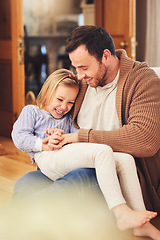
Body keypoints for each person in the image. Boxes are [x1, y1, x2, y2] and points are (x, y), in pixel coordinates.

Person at [12, 25, 160, 238]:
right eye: (75, 67)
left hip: (114, 177)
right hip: (72, 160)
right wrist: (43, 141)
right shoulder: (81, 85)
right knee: (26, 183)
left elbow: (145, 139)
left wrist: (80, 136)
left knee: (77, 180)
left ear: (105, 56)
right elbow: (53, 116)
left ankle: (17, 228)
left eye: (83, 67)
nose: (79, 75)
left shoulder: (142, 81)